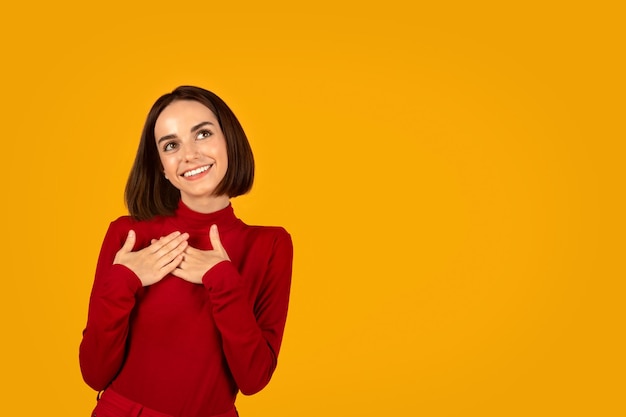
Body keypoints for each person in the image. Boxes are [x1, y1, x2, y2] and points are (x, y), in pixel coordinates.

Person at [79, 86, 293, 417]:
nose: (189, 154)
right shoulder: (129, 234)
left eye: (203, 134)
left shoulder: (269, 246)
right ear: (162, 167)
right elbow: (94, 373)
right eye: (171, 145)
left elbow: (254, 379)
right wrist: (125, 280)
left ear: (229, 142)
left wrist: (222, 278)